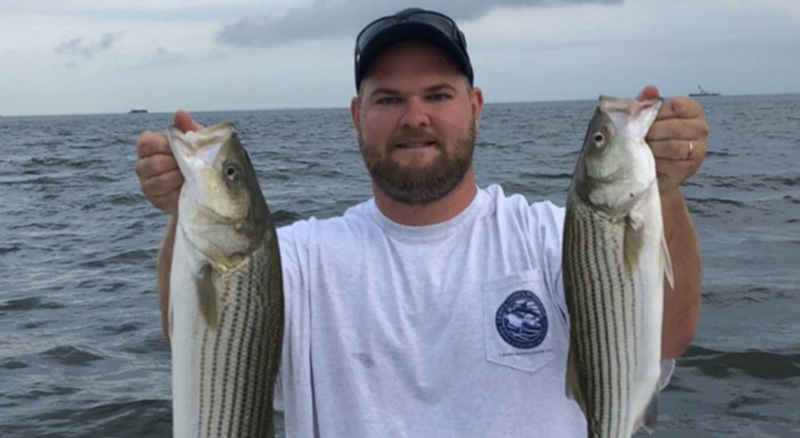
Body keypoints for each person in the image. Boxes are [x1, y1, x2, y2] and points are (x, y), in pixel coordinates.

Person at [135, 7, 706, 437]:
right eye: (388, 100)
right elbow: (192, 334)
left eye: (437, 94)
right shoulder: (298, 259)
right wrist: (182, 212)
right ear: (357, 117)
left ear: (475, 106)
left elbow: (667, 335)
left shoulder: (553, 238)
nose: (415, 117)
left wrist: (663, 190)